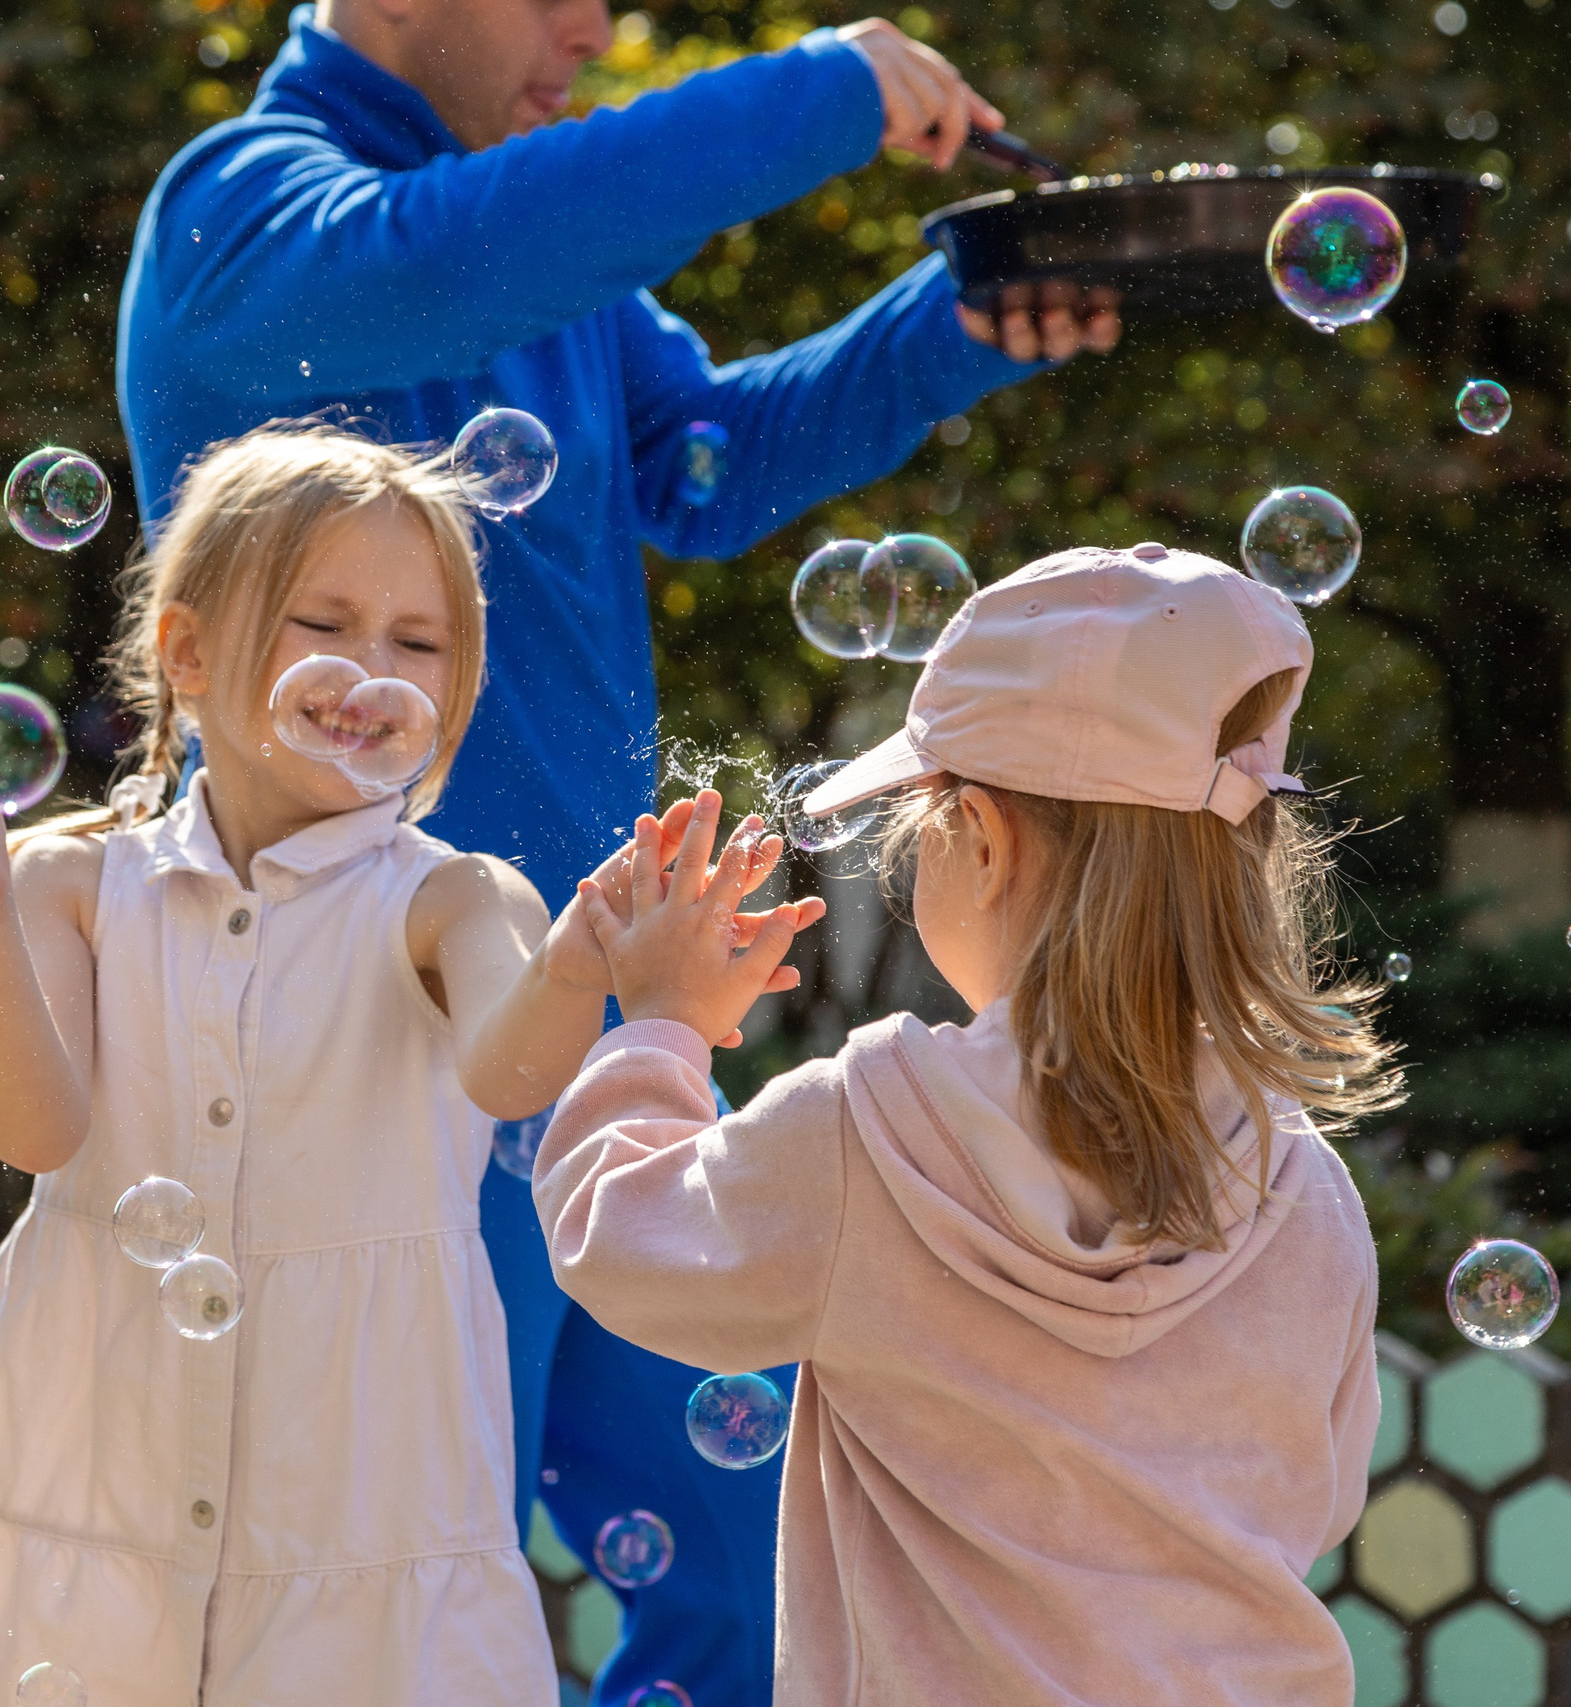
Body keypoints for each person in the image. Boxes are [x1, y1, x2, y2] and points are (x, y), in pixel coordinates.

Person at [117, 5, 1119, 1698]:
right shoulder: (242, 210)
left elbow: (705, 464)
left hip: (593, 1053)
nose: (593, 26)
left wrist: (958, 317)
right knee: (390, 1614)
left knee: (763, 1581)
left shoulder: (527, 238)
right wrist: (824, 91)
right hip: (364, 1067)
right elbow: (445, 262)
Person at [0, 425, 819, 1701]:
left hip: (360, 1506)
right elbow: (35, 1130)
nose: (372, 671)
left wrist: (580, 966)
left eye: (418, 644)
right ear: (189, 654)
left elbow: (512, 1074)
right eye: (325, 624)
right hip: (93, 1482)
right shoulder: (71, 885)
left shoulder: (456, 900)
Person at [534, 544, 1399, 1705]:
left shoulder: (868, 1134)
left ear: (983, 841)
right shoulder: (1306, 1189)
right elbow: (1318, 1494)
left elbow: (615, 1238)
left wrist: (661, 1029)